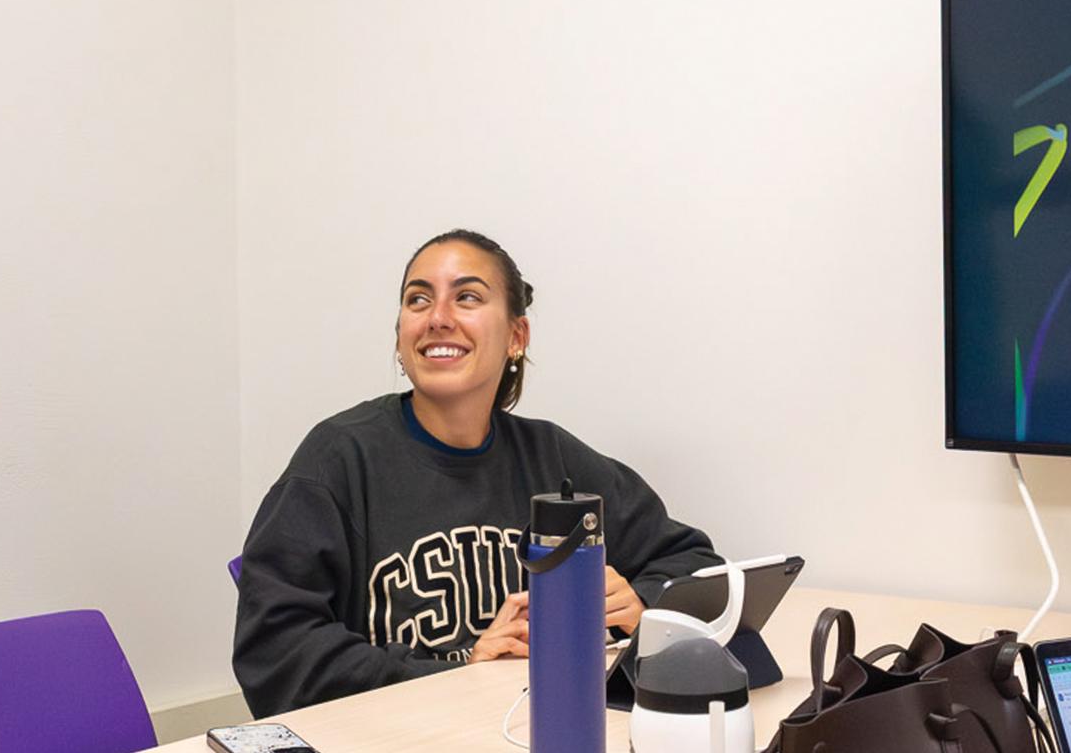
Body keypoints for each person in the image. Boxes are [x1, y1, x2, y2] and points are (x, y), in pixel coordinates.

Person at [232, 229, 718, 716]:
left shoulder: (551, 456)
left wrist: (642, 604)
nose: (438, 318)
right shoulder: (336, 459)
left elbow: (692, 560)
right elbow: (276, 652)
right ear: (401, 336)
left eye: (467, 297)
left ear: (516, 337)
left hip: (531, 729)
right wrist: (463, 671)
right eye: (418, 299)